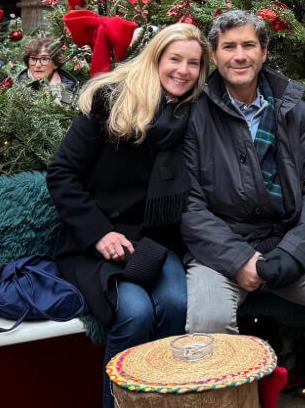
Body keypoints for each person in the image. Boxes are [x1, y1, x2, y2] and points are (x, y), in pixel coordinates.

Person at [181, 10, 305, 408]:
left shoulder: (293, 111)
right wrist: (238, 260)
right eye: (228, 47)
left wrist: (291, 253)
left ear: (264, 53)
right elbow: (189, 206)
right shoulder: (193, 114)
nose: (239, 56)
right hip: (221, 250)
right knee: (207, 323)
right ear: (214, 57)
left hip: (289, 243)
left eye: (248, 45)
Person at [46, 23, 211, 408]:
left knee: (177, 305)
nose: (182, 71)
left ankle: (163, 401)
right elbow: (62, 174)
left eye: (193, 63)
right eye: (175, 59)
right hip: (96, 240)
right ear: (155, 58)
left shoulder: (197, 115)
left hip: (155, 243)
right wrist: (99, 233)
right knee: (134, 313)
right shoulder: (111, 100)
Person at [15, 38, 79, 105]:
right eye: (33, 59)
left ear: (55, 64)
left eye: (44, 59)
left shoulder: (69, 87)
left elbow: (71, 113)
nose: (38, 65)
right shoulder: (17, 88)